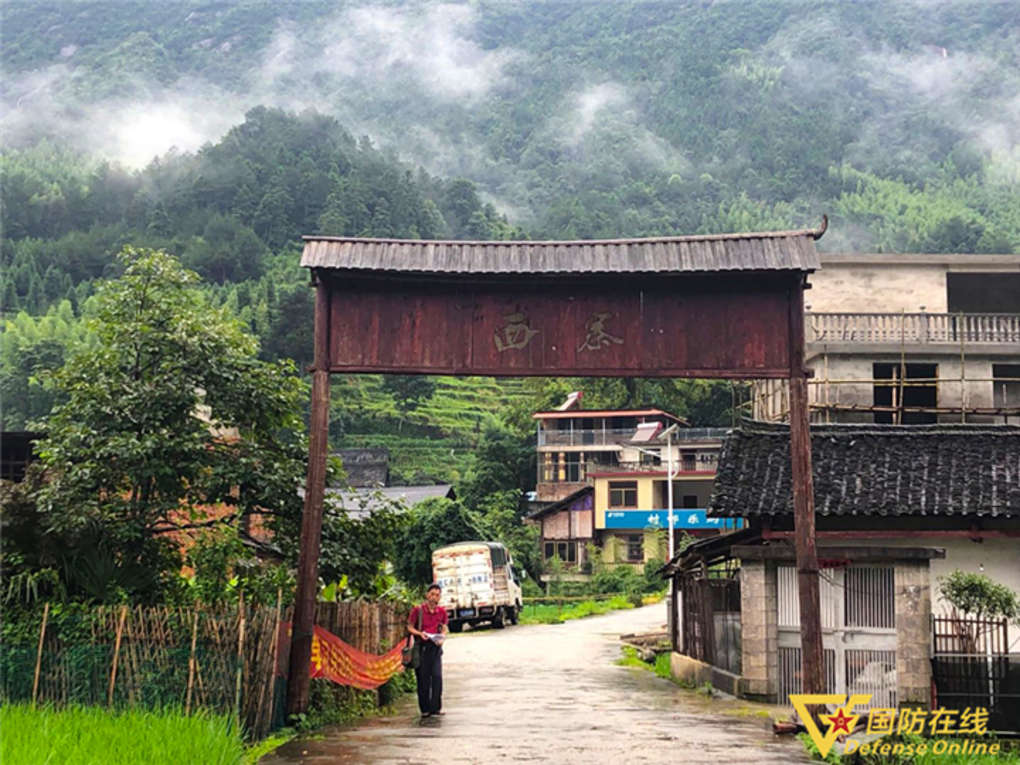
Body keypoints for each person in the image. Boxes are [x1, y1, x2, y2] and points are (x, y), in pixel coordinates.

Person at [407, 583, 448, 718]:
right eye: (432, 594)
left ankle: (436, 707)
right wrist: (419, 634)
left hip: (435, 648)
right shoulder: (418, 610)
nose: (434, 597)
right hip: (422, 648)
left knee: (437, 677)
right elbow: (410, 627)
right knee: (423, 679)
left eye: (437, 595)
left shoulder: (441, 611)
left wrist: (442, 637)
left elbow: (444, 627)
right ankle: (425, 709)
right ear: (427, 595)